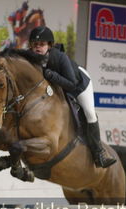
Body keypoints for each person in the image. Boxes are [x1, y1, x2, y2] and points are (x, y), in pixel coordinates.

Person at [28, 26, 116, 168]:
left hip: (79, 84)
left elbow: (71, 84)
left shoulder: (59, 57)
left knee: (90, 114)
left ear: (49, 45)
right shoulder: (30, 56)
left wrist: (52, 75)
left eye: (42, 44)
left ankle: (99, 153)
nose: (38, 48)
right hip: (59, 86)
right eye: (35, 45)